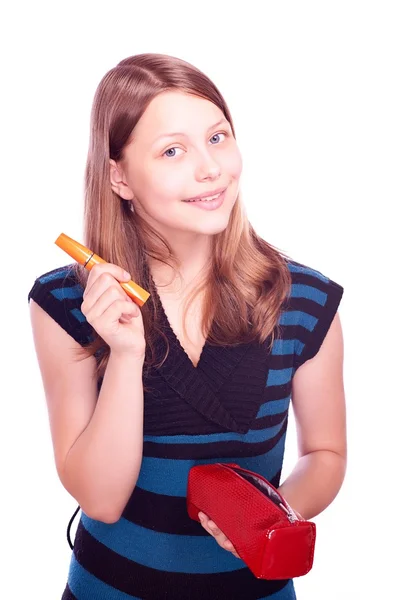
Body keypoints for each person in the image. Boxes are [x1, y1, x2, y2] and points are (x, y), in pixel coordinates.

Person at [27, 53, 346, 600]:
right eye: (173, 150)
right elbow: (101, 500)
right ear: (119, 176)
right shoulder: (64, 302)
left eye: (218, 138)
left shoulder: (306, 299)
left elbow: (326, 454)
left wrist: (277, 511)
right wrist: (126, 353)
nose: (210, 168)